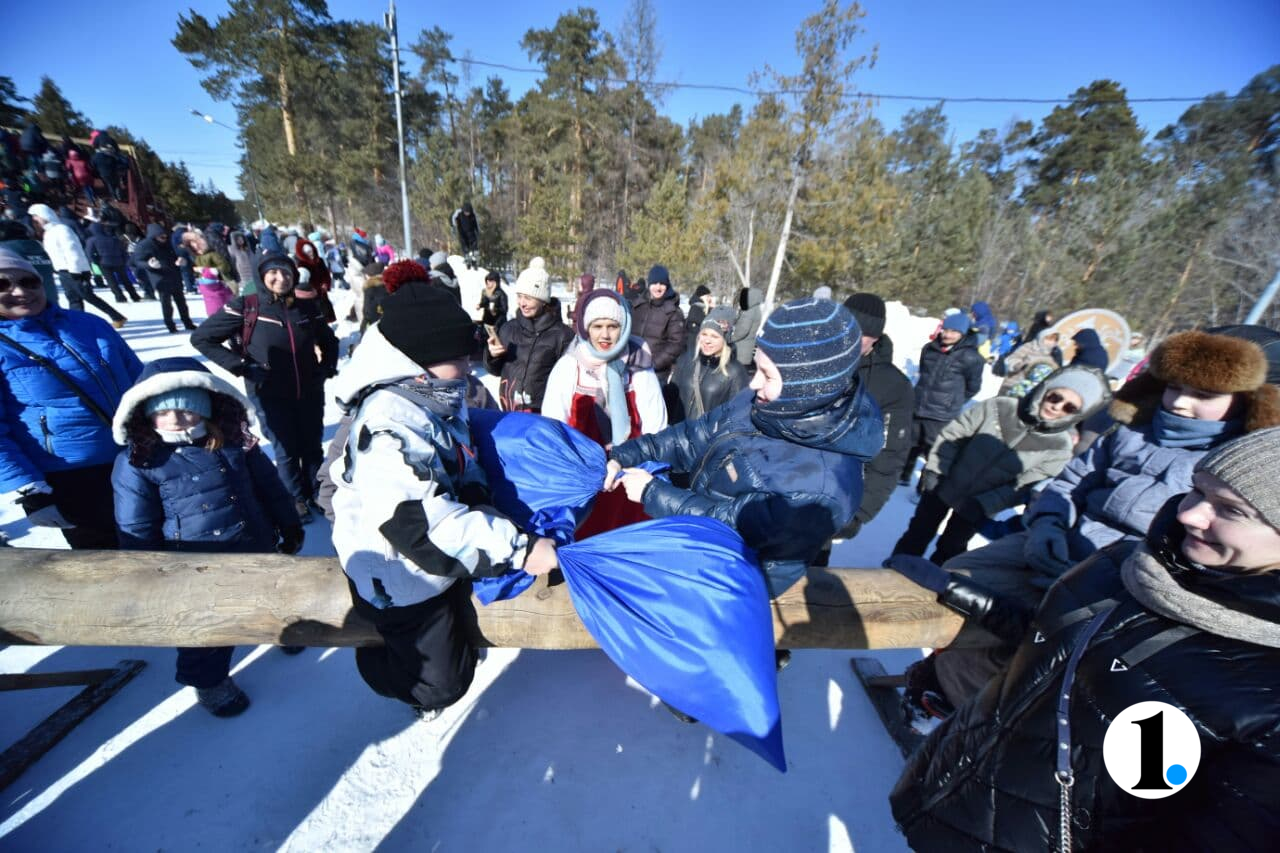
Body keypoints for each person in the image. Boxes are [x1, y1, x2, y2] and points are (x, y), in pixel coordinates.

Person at [889, 427, 1280, 851]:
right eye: (1197, 490)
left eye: (1231, 509)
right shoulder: (1125, 563)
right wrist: (964, 597)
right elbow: (1061, 647)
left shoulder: (1267, 686)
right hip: (948, 789)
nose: (1190, 514)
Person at [932, 329, 1280, 708]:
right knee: (953, 581)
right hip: (1057, 541)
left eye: (1204, 395)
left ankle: (972, 709)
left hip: (1120, 580)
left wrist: (1104, 574)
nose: (1180, 403)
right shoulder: (1130, 431)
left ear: (1248, 401)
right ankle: (938, 675)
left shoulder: (1234, 469)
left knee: (1024, 644)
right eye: (1174, 387)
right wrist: (1048, 524)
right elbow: (1070, 481)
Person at [328, 283, 557, 719]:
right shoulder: (388, 425)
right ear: (419, 360)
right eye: (461, 357)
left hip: (432, 558)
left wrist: (482, 501)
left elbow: (460, 459)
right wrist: (519, 549)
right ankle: (379, 664)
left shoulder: (435, 397)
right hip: (397, 574)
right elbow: (421, 525)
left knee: (458, 633)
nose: (472, 366)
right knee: (442, 684)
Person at [607, 297, 884, 598]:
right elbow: (692, 436)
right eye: (759, 369)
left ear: (806, 388)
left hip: (725, 588)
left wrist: (653, 493)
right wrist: (624, 455)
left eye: (768, 375)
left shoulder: (820, 485)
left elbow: (731, 528)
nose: (753, 384)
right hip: (691, 552)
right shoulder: (765, 403)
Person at [110, 358, 304, 717]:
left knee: (271, 595)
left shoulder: (234, 443)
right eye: (163, 411)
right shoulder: (139, 461)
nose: (175, 419)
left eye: (186, 410)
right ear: (144, 413)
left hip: (253, 541)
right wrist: (146, 569)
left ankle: (282, 630)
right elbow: (136, 523)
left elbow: (270, 487)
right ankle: (209, 679)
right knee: (208, 625)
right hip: (194, 562)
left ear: (206, 408)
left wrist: (288, 523)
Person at [891, 366, 1110, 565]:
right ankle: (893, 574)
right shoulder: (999, 407)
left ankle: (924, 591)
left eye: (1069, 407)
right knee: (917, 534)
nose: (1057, 407)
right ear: (1045, 390)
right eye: (1055, 396)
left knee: (951, 548)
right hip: (944, 484)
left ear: (1076, 415)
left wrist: (985, 504)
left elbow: (1024, 485)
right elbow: (955, 434)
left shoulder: (1059, 447)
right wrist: (936, 471)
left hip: (978, 505)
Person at [0, 248, 142, 549]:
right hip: (71, 476)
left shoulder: (88, 324)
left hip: (136, 457)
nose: (19, 291)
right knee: (106, 563)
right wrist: (29, 490)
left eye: (29, 282)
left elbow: (140, 379)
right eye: (3, 284)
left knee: (162, 549)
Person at [191, 251, 339, 522]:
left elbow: (329, 340)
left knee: (311, 445)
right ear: (261, 275)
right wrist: (242, 367)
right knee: (286, 449)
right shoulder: (247, 306)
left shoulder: (305, 307)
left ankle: (316, 492)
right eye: (273, 272)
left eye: (286, 273)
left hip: (309, 390)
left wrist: (326, 367)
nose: (280, 278)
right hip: (269, 391)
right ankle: (294, 498)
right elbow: (202, 339)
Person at [543, 288, 667, 538]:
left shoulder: (638, 365)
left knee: (625, 529)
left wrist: (650, 465)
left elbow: (656, 420)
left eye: (612, 326)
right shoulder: (570, 366)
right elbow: (553, 421)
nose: (605, 335)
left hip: (629, 467)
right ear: (586, 328)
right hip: (583, 468)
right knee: (586, 528)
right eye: (597, 326)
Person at [837, 293, 915, 539]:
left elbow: (888, 456)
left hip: (829, 503)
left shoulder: (893, 387)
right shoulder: (807, 359)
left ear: (876, 339)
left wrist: (859, 512)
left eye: (861, 335)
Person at [899, 312, 985, 486]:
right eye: (945, 330)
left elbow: (973, 387)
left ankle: (923, 486)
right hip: (919, 406)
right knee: (910, 444)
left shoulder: (971, 357)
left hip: (941, 414)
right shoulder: (929, 349)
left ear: (963, 333)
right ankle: (903, 475)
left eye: (954, 331)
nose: (947, 335)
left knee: (934, 451)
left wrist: (953, 401)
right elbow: (923, 373)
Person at [484, 259, 573, 413]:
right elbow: (495, 370)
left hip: (544, 415)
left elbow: (568, 383)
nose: (522, 303)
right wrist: (493, 356)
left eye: (528, 298)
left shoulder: (563, 335)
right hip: (509, 411)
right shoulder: (508, 328)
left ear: (543, 300)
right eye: (519, 296)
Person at [27, 204, 128, 328]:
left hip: (72, 270)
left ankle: (117, 316)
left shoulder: (61, 229)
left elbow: (72, 250)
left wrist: (76, 269)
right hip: (62, 270)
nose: (35, 220)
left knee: (88, 296)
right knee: (73, 298)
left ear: (44, 216)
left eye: (36, 216)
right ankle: (77, 323)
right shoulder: (49, 232)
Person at [667, 306, 747, 423]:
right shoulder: (687, 359)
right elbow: (670, 397)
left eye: (714, 336)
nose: (707, 340)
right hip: (677, 434)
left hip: (707, 438)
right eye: (704, 334)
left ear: (725, 339)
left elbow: (738, 414)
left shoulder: (735, 372)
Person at [132, 223, 196, 333]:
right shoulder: (144, 245)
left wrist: (180, 261)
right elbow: (137, 261)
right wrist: (149, 265)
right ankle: (170, 325)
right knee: (166, 304)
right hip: (159, 278)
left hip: (174, 275)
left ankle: (187, 323)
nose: (164, 239)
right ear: (154, 236)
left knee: (182, 302)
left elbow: (176, 255)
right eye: (162, 237)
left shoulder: (168, 243)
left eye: (165, 236)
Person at [630, 264, 686, 383]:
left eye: (662, 284)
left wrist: (652, 364)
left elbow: (676, 344)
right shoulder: (637, 306)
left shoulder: (673, 312)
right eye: (654, 283)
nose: (658, 287)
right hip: (631, 367)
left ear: (667, 285)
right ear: (649, 284)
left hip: (655, 373)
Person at [85, 222, 140, 303]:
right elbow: (122, 250)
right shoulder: (113, 238)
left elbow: (89, 253)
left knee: (112, 281)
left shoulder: (92, 240)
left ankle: (120, 297)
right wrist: (124, 260)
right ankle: (134, 296)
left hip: (104, 262)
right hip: (119, 261)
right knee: (125, 280)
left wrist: (96, 262)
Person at [996, 327, 1061, 396]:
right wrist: (1020, 364)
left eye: (1054, 340)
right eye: (1048, 339)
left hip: (1030, 391)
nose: (1051, 342)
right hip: (1013, 383)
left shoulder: (1054, 355)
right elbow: (1012, 359)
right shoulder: (1029, 347)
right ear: (1042, 337)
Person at [730, 286, 765, 370]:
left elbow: (743, 330)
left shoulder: (749, 312)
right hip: (747, 345)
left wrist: (731, 338)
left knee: (738, 373)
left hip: (741, 348)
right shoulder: (755, 309)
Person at [477, 269, 508, 334]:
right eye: (487, 280)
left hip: (497, 322)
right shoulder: (485, 291)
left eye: (490, 280)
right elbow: (484, 302)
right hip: (487, 320)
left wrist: (495, 310)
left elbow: (504, 309)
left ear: (495, 282)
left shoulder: (501, 294)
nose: (488, 282)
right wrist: (480, 305)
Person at [451, 201, 480, 269]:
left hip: (471, 233)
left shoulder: (473, 214)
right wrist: (453, 228)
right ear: (463, 211)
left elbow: (477, 223)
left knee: (474, 247)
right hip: (462, 234)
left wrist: (478, 231)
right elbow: (452, 220)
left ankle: (475, 261)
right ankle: (468, 261)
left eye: (468, 212)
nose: (467, 214)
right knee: (465, 248)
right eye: (466, 212)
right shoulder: (458, 213)